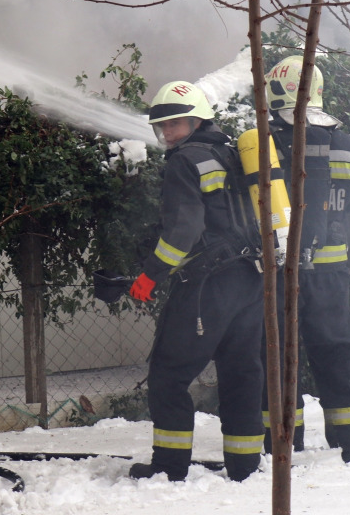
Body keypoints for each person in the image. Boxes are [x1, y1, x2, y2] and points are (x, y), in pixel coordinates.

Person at [127, 80, 265, 482]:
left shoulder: (184, 161)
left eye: (176, 124)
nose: (168, 133)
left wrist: (150, 274)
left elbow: (184, 229)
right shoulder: (232, 153)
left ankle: (169, 469)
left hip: (209, 283)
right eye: (162, 127)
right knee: (242, 372)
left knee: (168, 374)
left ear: (197, 119)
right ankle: (244, 465)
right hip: (250, 280)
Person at [262, 55, 350, 463]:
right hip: (332, 270)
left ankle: (284, 440)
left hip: (280, 268)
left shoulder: (270, 140)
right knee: (337, 347)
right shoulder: (349, 144)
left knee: (275, 350)